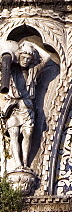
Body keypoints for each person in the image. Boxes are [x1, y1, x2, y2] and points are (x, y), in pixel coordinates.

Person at [0, 39, 49, 172]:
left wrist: (30, 45)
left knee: (27, 134)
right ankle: (17, 164)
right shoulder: (11, 72)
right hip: (13, 109)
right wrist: (13, 54)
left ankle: (25, 164)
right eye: (23, 57)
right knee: (14, 135)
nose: (26, 61)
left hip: (27, 109)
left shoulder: (33, 71)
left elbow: (47, 57)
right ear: (19, 56)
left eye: (28, 58)